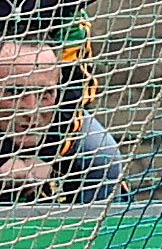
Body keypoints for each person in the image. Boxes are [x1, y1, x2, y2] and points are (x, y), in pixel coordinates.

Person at [0, 40, 122, 204]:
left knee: (103, 157)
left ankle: (94, 227)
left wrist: (48, 155)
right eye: (14, 92)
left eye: (44, 94)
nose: (31, 109)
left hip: (59, 125)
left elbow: (77, 85)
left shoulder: (69, 22)